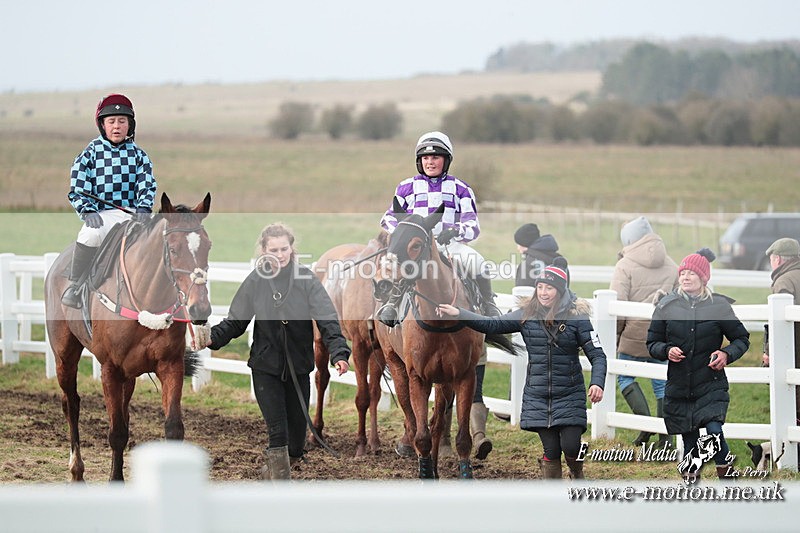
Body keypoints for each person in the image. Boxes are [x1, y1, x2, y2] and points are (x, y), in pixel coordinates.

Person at [379, 130, 498, 460]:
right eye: (426, 157)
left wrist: (454, 231)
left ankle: (487, 308)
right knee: (393, 269)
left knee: (480, 262)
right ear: (419, 161)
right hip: (415, 249)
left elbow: (473, 225)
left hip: (450, 246)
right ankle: (391, 305)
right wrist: (402, 235)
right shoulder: (405, 187)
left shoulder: (460, 188)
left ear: (446, 160)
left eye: (437, 156)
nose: (431, 161)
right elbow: (388, 218)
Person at [203, 223, 351, 480]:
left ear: (292, 248)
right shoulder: (256, 280)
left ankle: (271, 474)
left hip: (299, 368)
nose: (280, 254)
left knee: (296, 442)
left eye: (284, 248)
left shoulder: (306, 279)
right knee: (278, 433)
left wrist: (339, 352)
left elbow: (327, 318)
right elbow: (236, 321)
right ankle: (278, 491)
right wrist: (212, 339)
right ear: (264, 250)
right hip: (265, 367)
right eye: (274, 249)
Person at [438, 257, 607, 480]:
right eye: (540, 287)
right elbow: (492, 324)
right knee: (552, 451)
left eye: (550, 288)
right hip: (538, 396)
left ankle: (577, 474)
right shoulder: (526, 314)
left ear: (561, 290)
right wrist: (460, 313)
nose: (544, 292)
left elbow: (598, 355)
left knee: (571, 446)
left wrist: (597, 382)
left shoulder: (578, 318)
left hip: (569, 394)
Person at [647, 248, 750, 482]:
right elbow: (652, 342)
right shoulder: (666, 306)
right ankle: (692, 489)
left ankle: (728, 479)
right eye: (683, 273)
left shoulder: (719, 306)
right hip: (680, 385)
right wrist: (666, 350)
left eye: (692, 273)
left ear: (703, 278)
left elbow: (741, 339)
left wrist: (726, 354)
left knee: (714, 432)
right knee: (690, 440)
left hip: (710, 383)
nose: (685, 277)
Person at [61, 93, 156, 308]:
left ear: (129, 125)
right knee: (90, 235)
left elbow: (147, 184)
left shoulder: (140, 156)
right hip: (102, 215)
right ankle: (75, 286)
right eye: (111, 121)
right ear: (102, 125)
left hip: (134, 215)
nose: (116, 126)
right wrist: (87, 211)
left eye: (122, 121)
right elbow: (78, 187)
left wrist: (144, 207)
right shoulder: (89, 153)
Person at [611, 216, 678, 448]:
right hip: (662, 334)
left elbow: (617, 306)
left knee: (624, 376)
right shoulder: (671, 264)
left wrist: (616, 335)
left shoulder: (624, 265)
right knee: (661, 382)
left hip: (633, 334)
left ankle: (646, 426)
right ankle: (666, 437)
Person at [761, 237, 800, 421]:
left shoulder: (783, 281)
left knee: (793, 396)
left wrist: (768, 350)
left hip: (793, 347)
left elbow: (779, 321)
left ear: (777, 259)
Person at [513, 223, 564, 287]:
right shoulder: (559, 260)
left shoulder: (528, 264)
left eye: (519, 244)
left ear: (525, 244)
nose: (518, 248)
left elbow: (523, 294)